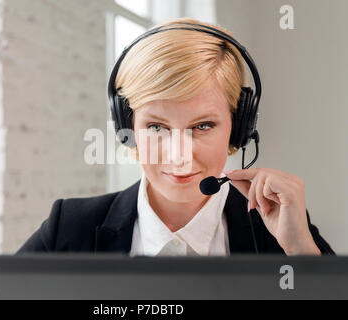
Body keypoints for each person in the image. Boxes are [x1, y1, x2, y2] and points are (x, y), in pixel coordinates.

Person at [17, 18, 334, 256]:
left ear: (238, 128)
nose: (179, 155)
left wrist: (302, 253)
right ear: (128, 131)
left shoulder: (278, 230)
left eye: (203, 126)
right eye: (156, 127)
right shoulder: (70, 227)